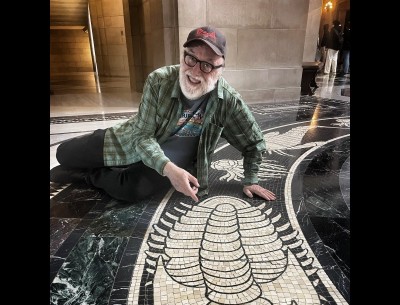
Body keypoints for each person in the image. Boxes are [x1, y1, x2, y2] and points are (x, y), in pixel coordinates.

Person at [50, 26, 276, 204]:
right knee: (63, 153)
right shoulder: (159, 80)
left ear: (220, 69)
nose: (196, 71)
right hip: (129, 140)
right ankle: (98, 159)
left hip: (173, 160)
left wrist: (251, 180)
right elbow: (141, 136)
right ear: (183, 56)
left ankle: (90, 176)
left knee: (130, 190)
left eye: (207, 65)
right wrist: (168, 169)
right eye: (191, 58)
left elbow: (254, 141)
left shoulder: (228, 101)